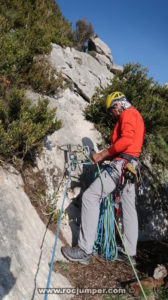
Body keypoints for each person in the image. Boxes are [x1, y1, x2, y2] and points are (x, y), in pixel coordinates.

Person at [61, 91, 145, 265]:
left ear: (117, 105)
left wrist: (103, 154)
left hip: (121, 167)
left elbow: (126, 140)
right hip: (131, 169)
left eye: (110, 111)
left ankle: (84, 250)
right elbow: (128, 146)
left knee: (90, 197)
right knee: (128, 208)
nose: (111, 115)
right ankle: (130, 253)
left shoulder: (128, 113)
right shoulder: (137, 115)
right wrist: (104, 157)